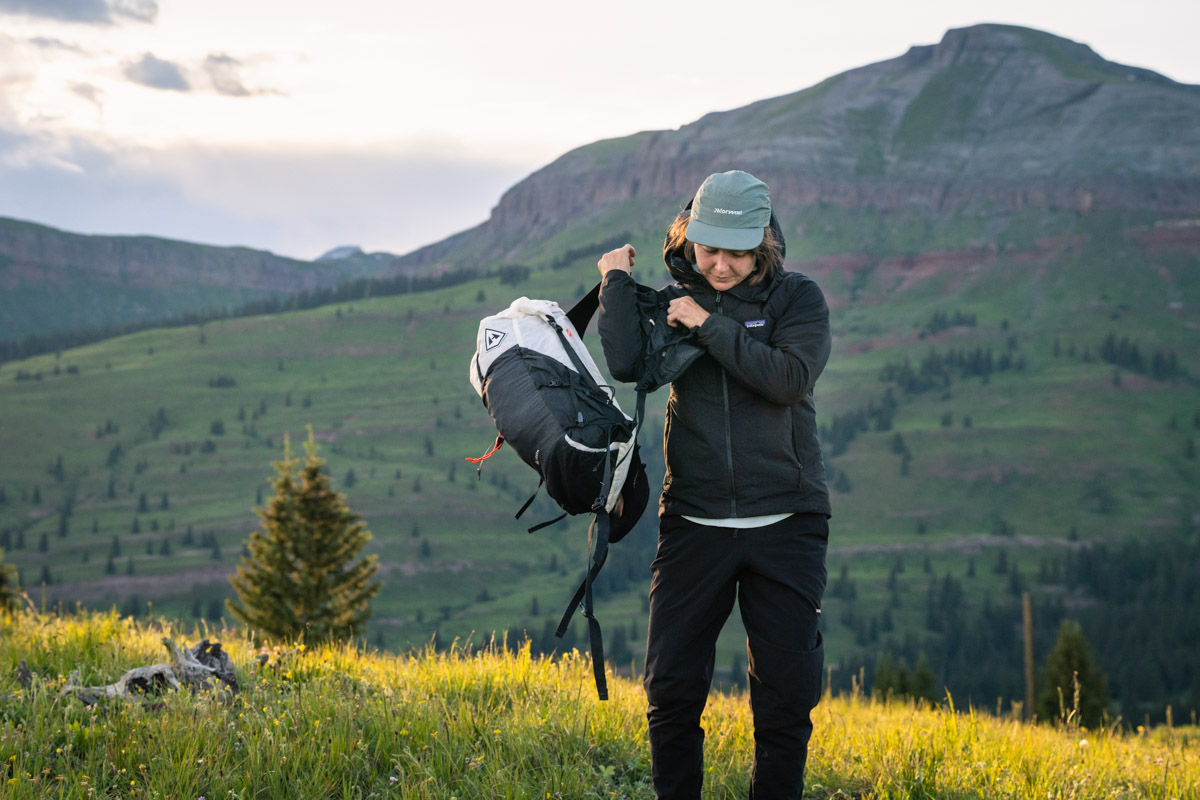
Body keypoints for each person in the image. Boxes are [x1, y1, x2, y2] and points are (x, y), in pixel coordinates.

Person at [595, 170, 832, 800]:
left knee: (785, 700)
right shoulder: (675, 298)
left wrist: (707, 324)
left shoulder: (797, 299)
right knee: (670, 692)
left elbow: (789, 380)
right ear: (689, 238)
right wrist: (615, 283)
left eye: (736, 252)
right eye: (708, 250)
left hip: (787, 521)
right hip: (693, 521)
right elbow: (628, 365)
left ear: (763, 245)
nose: (720, 265)